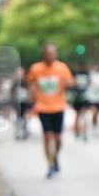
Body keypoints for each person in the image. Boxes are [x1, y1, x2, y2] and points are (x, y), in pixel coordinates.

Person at [27, 43, 75, 178]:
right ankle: (49, 164)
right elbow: (30, 82)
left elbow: (71, 82)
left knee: (58, 139)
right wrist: (32, 92)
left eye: (53, 53)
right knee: (48, 136)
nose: (50, 56)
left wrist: (69, 84)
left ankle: (54, 157)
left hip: (59, 106)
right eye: (48, 53)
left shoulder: (62, 67)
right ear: (44, 55)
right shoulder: (35, 68)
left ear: (56, 54)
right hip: (43, 107)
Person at [72, 64, 92, 141]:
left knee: (82, 116)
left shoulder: (85, 75)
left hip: (83, 98)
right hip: (80, 98)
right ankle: (79, 132)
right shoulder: (77, 75)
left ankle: (82, 132)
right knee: (80, 116)